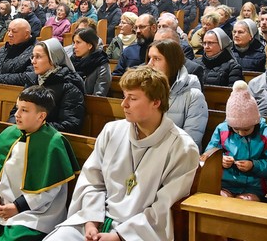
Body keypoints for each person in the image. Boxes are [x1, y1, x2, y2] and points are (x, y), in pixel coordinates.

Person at [45, 66, 199, 240]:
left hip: (137, 232)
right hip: (95, 219)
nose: (124, 104)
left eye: (132, 98)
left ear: (156, 102)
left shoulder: (182, 148)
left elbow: (164, 207)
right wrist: (90, 221)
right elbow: (92, 181)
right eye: (124, 96)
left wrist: (119, 236)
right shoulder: (112, 131)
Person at [0, 85, 80, 241]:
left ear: (41, 115)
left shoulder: (53, 143)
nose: (16, 115)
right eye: (17, 108)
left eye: (24, 110)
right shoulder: (9, 134)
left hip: (34, 214)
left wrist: (17, 206)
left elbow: (49, 191)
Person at [206, 80, 267, 201]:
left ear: (255, 123)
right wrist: (220, 160)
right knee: (221, 202)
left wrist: (253, 165)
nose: (241, 133)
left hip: (253, 186)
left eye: (246, 129)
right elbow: (209, 153)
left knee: (245, 204)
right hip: (224, 183)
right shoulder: (222, 130)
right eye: (236, 129)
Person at [8, 38, 85, 133]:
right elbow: (15, 111)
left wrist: (32, 126)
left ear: (53, 60)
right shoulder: (32, 80)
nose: (33, 61)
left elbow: (70, 125)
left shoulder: (69, 87)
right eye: (32, 57)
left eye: (38, 57)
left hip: (48, 139)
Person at [146, 39, 207, 150]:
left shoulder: (193, 96)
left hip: (177, 158)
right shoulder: (145, 90)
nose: (150, 64)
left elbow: (190, 142)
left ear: (171, 62)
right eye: (149, 58)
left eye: (156, 59)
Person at [0, 18, 35, 85]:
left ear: (26, 34)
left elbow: (29, 77)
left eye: (14, 31)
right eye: (8, 31)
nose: (9, 34)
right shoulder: (4, 49)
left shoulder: (36, 51)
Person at [71, 28, 111, 97]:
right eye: (74, 42)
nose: (74, 46)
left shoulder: (101, 64)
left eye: (78, 42)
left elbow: (99, 95)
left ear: (89, 46)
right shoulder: (71, 61)